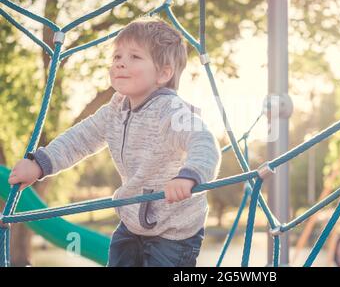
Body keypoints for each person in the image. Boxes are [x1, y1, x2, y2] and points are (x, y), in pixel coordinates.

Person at [8, 20, 222, 267]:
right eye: (117, 56)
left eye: (134, 57)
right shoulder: (114, 109)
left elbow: (204, 143)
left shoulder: (173, 112)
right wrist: (41, 164)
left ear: (163, 73)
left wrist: (190, 176)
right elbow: (79, 139)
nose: (120, 62)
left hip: (174, 230)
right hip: (132, 222)